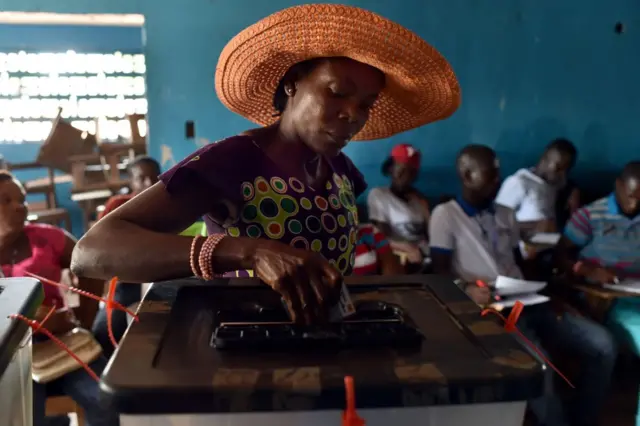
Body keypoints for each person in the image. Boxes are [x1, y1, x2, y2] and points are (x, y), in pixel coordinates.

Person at [70, 4, 460, 324]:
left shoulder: (342, 172)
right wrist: (248, 251)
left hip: (328, 345)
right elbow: (92, 252)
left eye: (366, 105)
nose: (352, 115)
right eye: (338, 93)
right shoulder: (234, 161)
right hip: (246, 349)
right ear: (292, 84)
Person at [429, 145, 616, 426]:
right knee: (541, 367)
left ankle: (582, 419)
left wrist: (551, 296)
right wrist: (465, 289)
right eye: (490, 175)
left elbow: (519, 266)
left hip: (528, 300)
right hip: (493, 310)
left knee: (603, 345)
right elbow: (439, 274)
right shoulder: (445, 215)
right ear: (467, 176)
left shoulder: (505, 214)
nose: (497, 181)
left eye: (498, 174)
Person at [0, 171, 118, 426]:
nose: (19, 207)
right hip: (9, 355)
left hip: (61, 340)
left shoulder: (48, 238)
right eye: (5, 201)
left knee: (107, 402)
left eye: (21, 200)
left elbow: (90, 266)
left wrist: (82, 321)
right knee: (21, 416)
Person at [558, 161, 640, 356]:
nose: (635, 204)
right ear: (618, 185)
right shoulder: (591, 216)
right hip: (609, 300)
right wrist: (588, 270)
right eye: (630, 196)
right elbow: (560, 256)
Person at [367, 143, 430, 268]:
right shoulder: (379, 195)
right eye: (402, 171)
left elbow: (432, 236)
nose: (406, 178)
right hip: (401, 257)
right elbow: (380, 237)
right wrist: (408, 248)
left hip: (425, 255)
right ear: (391, 169)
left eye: (412, 173)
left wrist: (425, 209)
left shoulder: (418, 198)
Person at [496, 138, 578, 233]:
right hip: (518, 245)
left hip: (547, 243)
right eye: (559, 169)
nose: (563, 175)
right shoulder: (518, 182)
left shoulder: (553, 183)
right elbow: (497, 225)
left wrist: (573, 191)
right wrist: (535, 226)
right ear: (545, 161)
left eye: (566, 170)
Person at [98, 155, 161, 219]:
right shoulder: (117, 206)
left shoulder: (168, 205)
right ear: (131, 182)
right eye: (141, 178)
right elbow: (97, 229)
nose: (149, 183)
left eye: (154, 176)